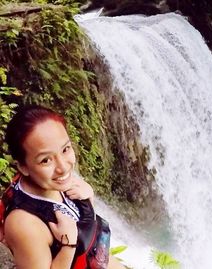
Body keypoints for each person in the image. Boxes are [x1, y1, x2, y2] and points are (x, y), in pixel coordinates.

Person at [0, 105, 125, 269]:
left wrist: (89, 199)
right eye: (46, 160)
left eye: (65, 149)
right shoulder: (25, 225)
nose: (63, 167)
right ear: (23, 167)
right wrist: (68, 246)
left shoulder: (57, 183)